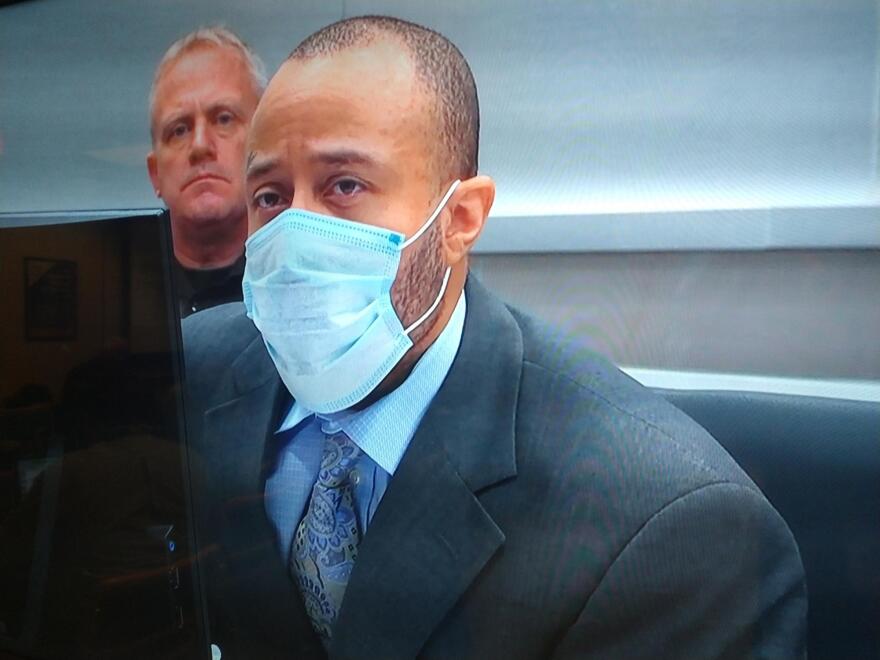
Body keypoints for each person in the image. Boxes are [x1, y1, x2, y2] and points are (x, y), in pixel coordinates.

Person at [183, 16, 807, 659]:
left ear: (460, 219)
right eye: (269, 196)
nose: (295, 239)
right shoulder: (185, 376)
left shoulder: (668, 531)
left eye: (344, 186)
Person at [146, 27, 265, 318]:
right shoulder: (114, 302)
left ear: (264, 147)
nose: (200, 145)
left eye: (224, 119)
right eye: (179, 130)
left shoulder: (306, 289)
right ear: (155, 174)